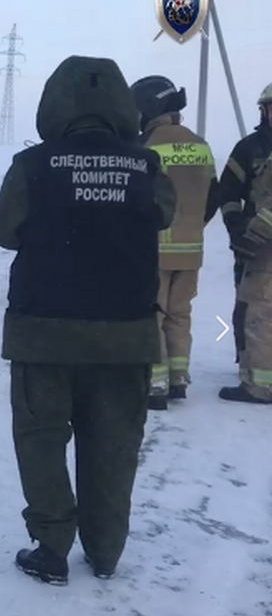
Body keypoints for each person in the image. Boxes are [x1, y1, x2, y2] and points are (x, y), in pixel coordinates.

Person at [0, 55, 176, 586]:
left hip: (44, 332)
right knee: (113, 445)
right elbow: (163, 214)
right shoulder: (146, 167)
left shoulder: (33, 165)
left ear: (56, 103)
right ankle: (106, 550)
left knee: (42, 440)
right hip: (124, 336)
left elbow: (3, 230)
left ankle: (51, 549)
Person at [129, 76, 217, 409]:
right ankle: (179, 379)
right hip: (191, 250)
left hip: (154, 249)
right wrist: (192, 226)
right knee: (180, 314)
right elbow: (214, 196)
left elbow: (138, 198)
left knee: (153, 315)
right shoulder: (200, 145)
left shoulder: (146, 145)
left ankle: (155, 384)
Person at [213, 83, 272, 404]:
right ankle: (251, 366)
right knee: (249, 310)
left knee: (261, 312)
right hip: (254, 248)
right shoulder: (249, 148)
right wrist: (237, 230)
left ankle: (260, 382)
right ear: (264, 112)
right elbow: (228, 192)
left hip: (261, 240)